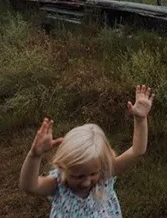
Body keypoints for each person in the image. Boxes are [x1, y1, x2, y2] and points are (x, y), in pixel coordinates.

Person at [19, 85, 155, 218]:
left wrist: (140, 119)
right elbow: (29, 186)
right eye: (77, 176)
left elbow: (137, 150)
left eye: (92, 174)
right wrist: (34, 155)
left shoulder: (105, 174)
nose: (85, 182)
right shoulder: (57, 185)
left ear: (102, 164)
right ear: (62, 166)